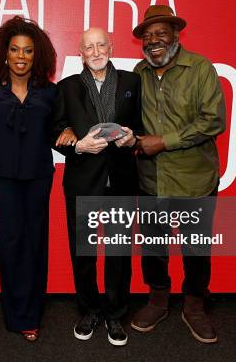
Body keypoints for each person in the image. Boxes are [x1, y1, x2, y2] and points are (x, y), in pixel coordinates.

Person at [130, 5, 226, 343]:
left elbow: (213, 121)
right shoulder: (138, 73)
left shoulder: (200, 68)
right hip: (151, 179)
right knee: (154, 245)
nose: (154, 41)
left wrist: (164, 142)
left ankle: (195, 304)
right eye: (147, 35)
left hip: (194, 178)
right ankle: (157, 300)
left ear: (175, 36)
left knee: (196, 248)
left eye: (161, 33)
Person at [0, 16, 71, 342]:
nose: (21, 56)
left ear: (37, 55)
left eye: (27, 51)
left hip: (37, 175)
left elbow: (57, 129)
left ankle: (32, 313)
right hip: (1, 175)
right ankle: (15, 315)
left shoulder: (50, 92)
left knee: (35, 241)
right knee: (11, 242)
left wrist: (68, 132)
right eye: (15, 50)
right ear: (5, 53)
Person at [53, 27, 141, 346]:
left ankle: (116, 315)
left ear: (111, 47)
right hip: (82, 180)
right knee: (84, 252)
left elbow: (141, 128)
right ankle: (89, 309)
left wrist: (133, 138)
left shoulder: (132, 82)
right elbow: (57, 131)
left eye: (101, 44)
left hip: (120, 178)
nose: (95, 51)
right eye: (88, 46)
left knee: (118, 250)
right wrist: (77, 147)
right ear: (80, 52)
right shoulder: (66, 87)